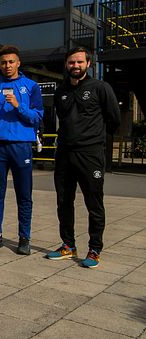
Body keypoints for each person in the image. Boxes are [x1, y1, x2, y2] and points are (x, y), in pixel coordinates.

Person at [46, 47, 120, 268]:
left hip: (90, 154)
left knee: (93, 202)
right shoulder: (61, 92)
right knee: (63, 202)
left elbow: (114, 119)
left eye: (79, 62)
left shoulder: (100, 88)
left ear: (88, 64)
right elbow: (63, 118)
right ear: (66, 65)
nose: (75, 66)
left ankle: (95, 248)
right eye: (71, 63)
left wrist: (94, 140)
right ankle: (68, 245)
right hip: (65, 155)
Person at [0, 45, 43, 255]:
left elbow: (37, 117)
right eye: (4, 62)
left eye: (11, 62)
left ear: (18, 63)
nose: (7, 66)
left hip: (21, 147)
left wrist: (19, 105)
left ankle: (24, 238)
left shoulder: (31, 87)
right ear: (0, 64)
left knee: (24, 195)